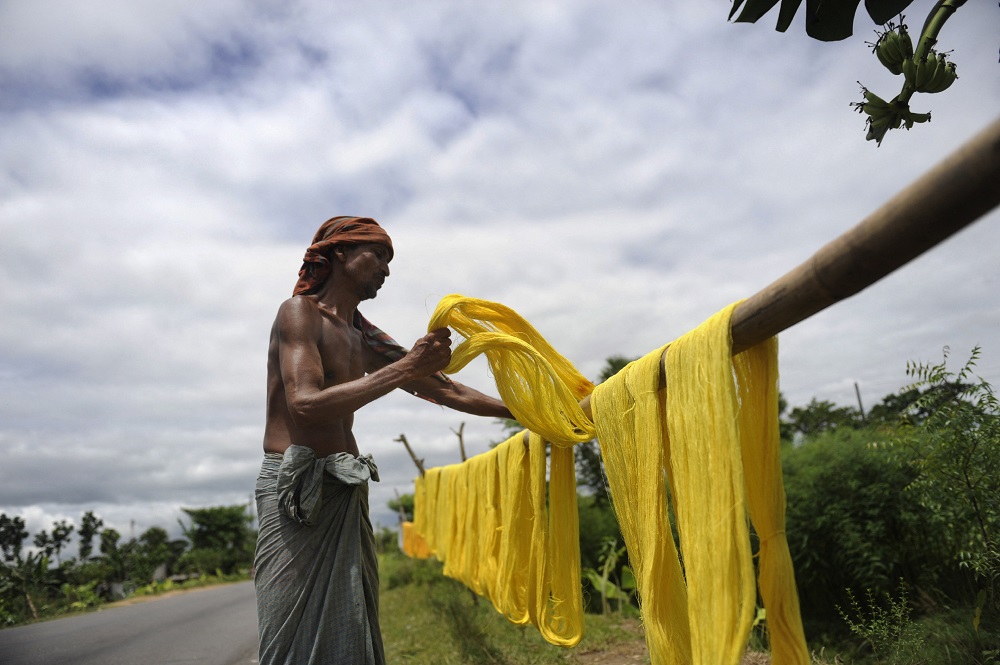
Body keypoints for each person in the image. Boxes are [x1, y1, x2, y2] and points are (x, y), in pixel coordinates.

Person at [253, 216, 511, 665]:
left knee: (350, 626)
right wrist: (406, 368)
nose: (387, 271)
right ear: (340, 253)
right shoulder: (299, 313)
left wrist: (530, 413)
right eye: (379, 255)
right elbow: (306, 404)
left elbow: (446, 389)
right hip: (295, 491)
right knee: (288, 634)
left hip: (343, 491)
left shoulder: (363, 336)